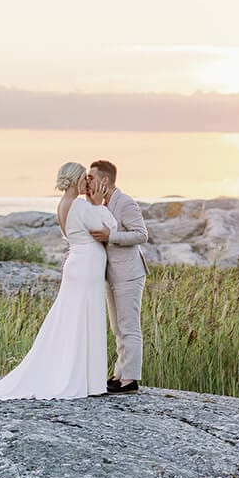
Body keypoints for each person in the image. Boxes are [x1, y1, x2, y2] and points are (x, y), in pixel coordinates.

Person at [0, 162, 116, 400]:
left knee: (75, 317)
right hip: (86, 265)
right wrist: (99, 205)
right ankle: (87, 381)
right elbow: (107, 227)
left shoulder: (63, 205)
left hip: (78, 263)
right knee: (85, 318)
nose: (87, 182)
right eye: (84, 178)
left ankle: (85, 378)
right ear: (74, 180)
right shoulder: (80, 205)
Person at [85, 159, 148, 393]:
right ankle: (119, 373)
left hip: (129, 274)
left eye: (91, 177)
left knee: (129, 326)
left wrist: (111, 236)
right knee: (117, 327)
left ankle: (130, 379)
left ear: (105, 180)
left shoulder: (126, 203)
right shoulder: (100, 203)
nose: (88, 181)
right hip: (111, 274)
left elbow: (141, 235)